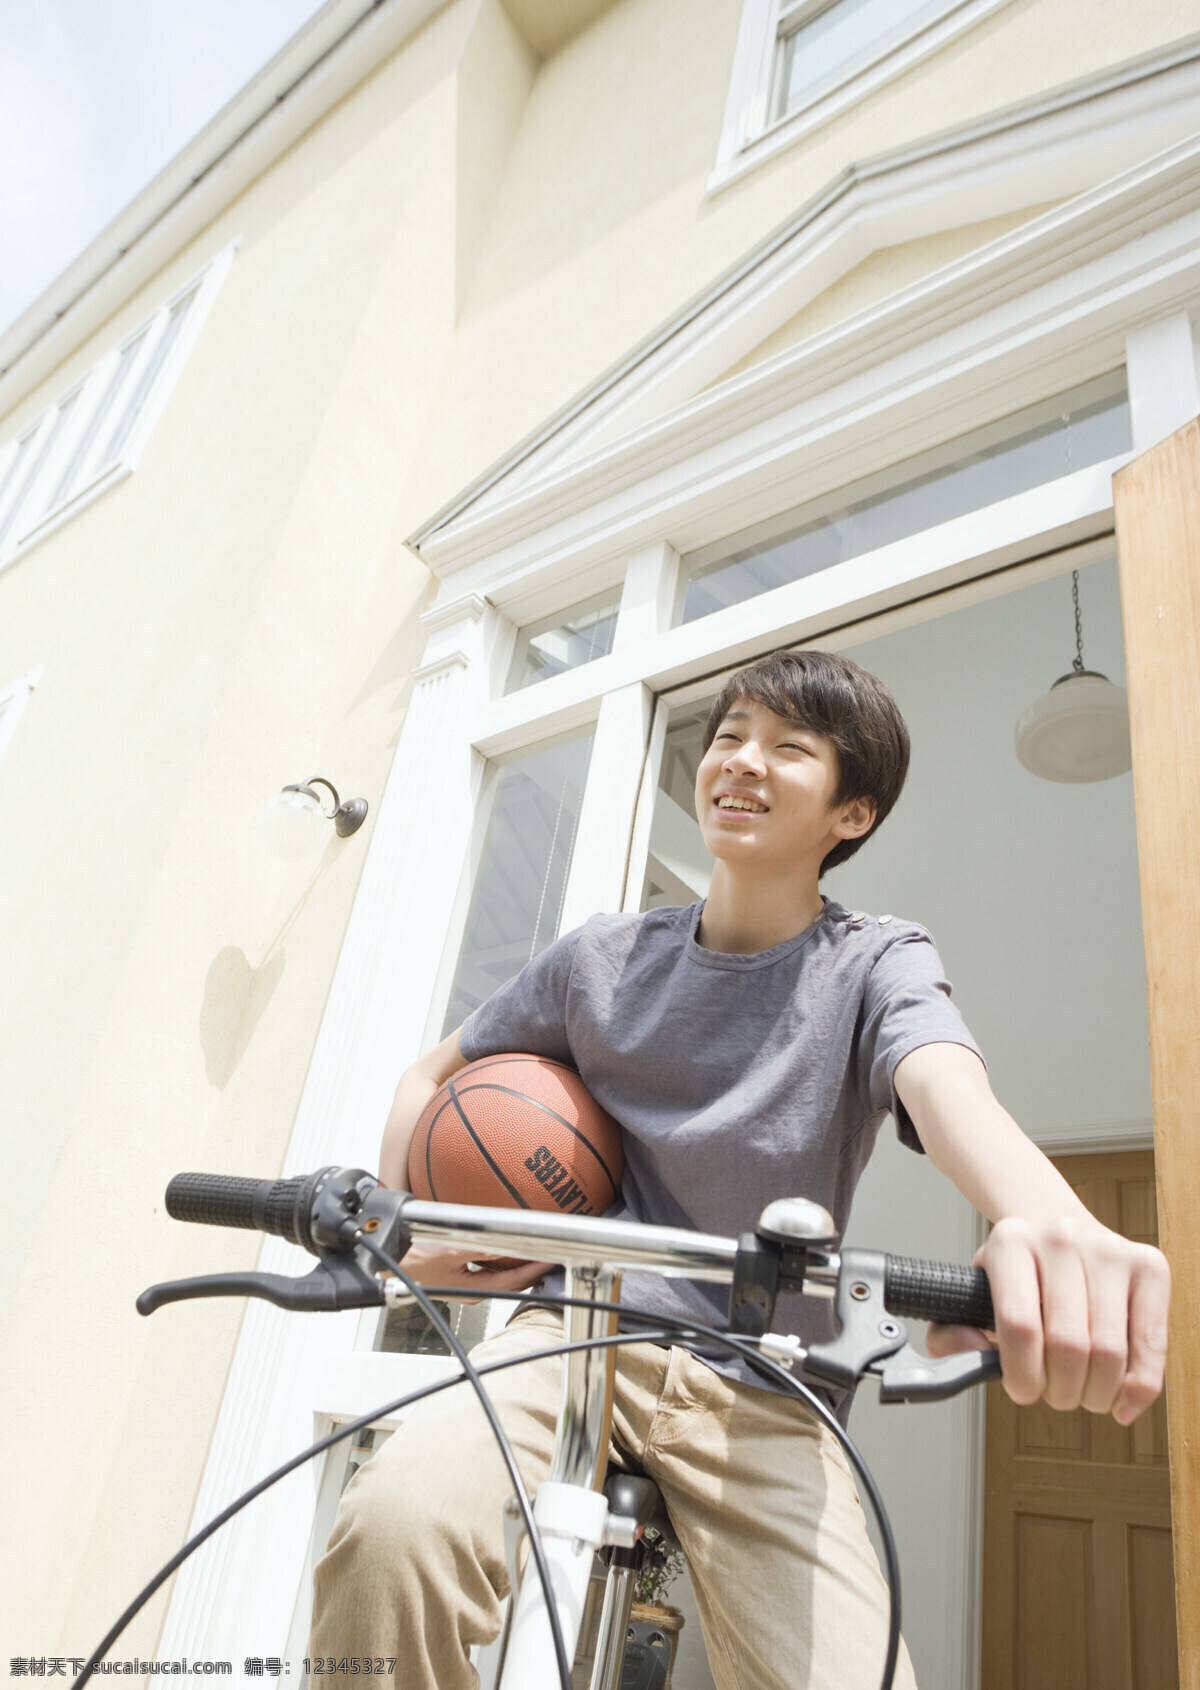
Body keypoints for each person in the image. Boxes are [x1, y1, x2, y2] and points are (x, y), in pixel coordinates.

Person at [310, 649, 1170, 1689]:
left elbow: (945, 1087)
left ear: (850, 813)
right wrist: (431, 1227)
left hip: (767, 1390)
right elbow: (428, 1077)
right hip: (574, 1332)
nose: (740, 762)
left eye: (788, 748)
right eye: (727, 737)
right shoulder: (601, 958)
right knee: (390, 1529)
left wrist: (1048, 1216)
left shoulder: (873, 960)